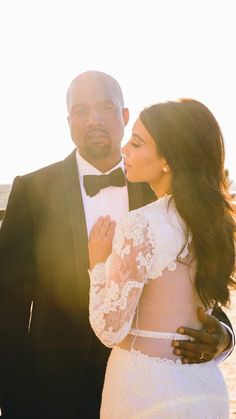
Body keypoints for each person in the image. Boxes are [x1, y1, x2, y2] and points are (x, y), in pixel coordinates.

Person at [0, 73, 234, 419]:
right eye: (80, 110)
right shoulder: (31, 190)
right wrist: (16, 401)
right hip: (55, 392)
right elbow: (8, 309)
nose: (93, 119)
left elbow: (194, 284)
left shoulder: (162, 192)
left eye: (105, 107)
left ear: (124, 116)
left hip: (149, 392)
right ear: (68, 122)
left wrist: (225, 338)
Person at [88, 99, 236, 418]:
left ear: (168, 158)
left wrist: (98, 264)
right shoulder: (218, 224)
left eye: (137, 142)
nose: (124, 148)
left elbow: (110, 329)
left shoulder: (141, 224)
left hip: (145, 389)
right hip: (204, 388)